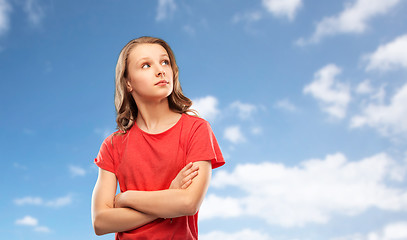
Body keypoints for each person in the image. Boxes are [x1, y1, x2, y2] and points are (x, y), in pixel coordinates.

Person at [91, 36, 225, 240]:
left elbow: (188, 204)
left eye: (165, 62)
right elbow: (100, 222)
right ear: (128, 83)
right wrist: (168, 198)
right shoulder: (112, 145)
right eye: (145, 65)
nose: (161, 70)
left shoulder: (196, 129)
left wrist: (127, 198)